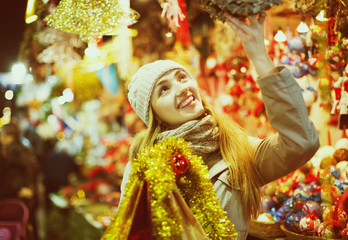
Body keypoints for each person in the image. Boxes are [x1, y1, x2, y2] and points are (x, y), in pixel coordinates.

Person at [121, 12, 320, 240]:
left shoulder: (236, 150)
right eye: (163, 89)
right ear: (152, 114)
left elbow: (301, 142)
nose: (181, 88)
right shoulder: (144, 167)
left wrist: (260, 58)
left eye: (182, 77)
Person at [0, 122, 40, 240]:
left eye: (2, 134)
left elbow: (31, 166)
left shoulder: (17, 149)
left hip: (20, 193)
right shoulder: (14, 148)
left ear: (8, 135)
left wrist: (28, 187)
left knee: (25, 222)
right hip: (16, 191)